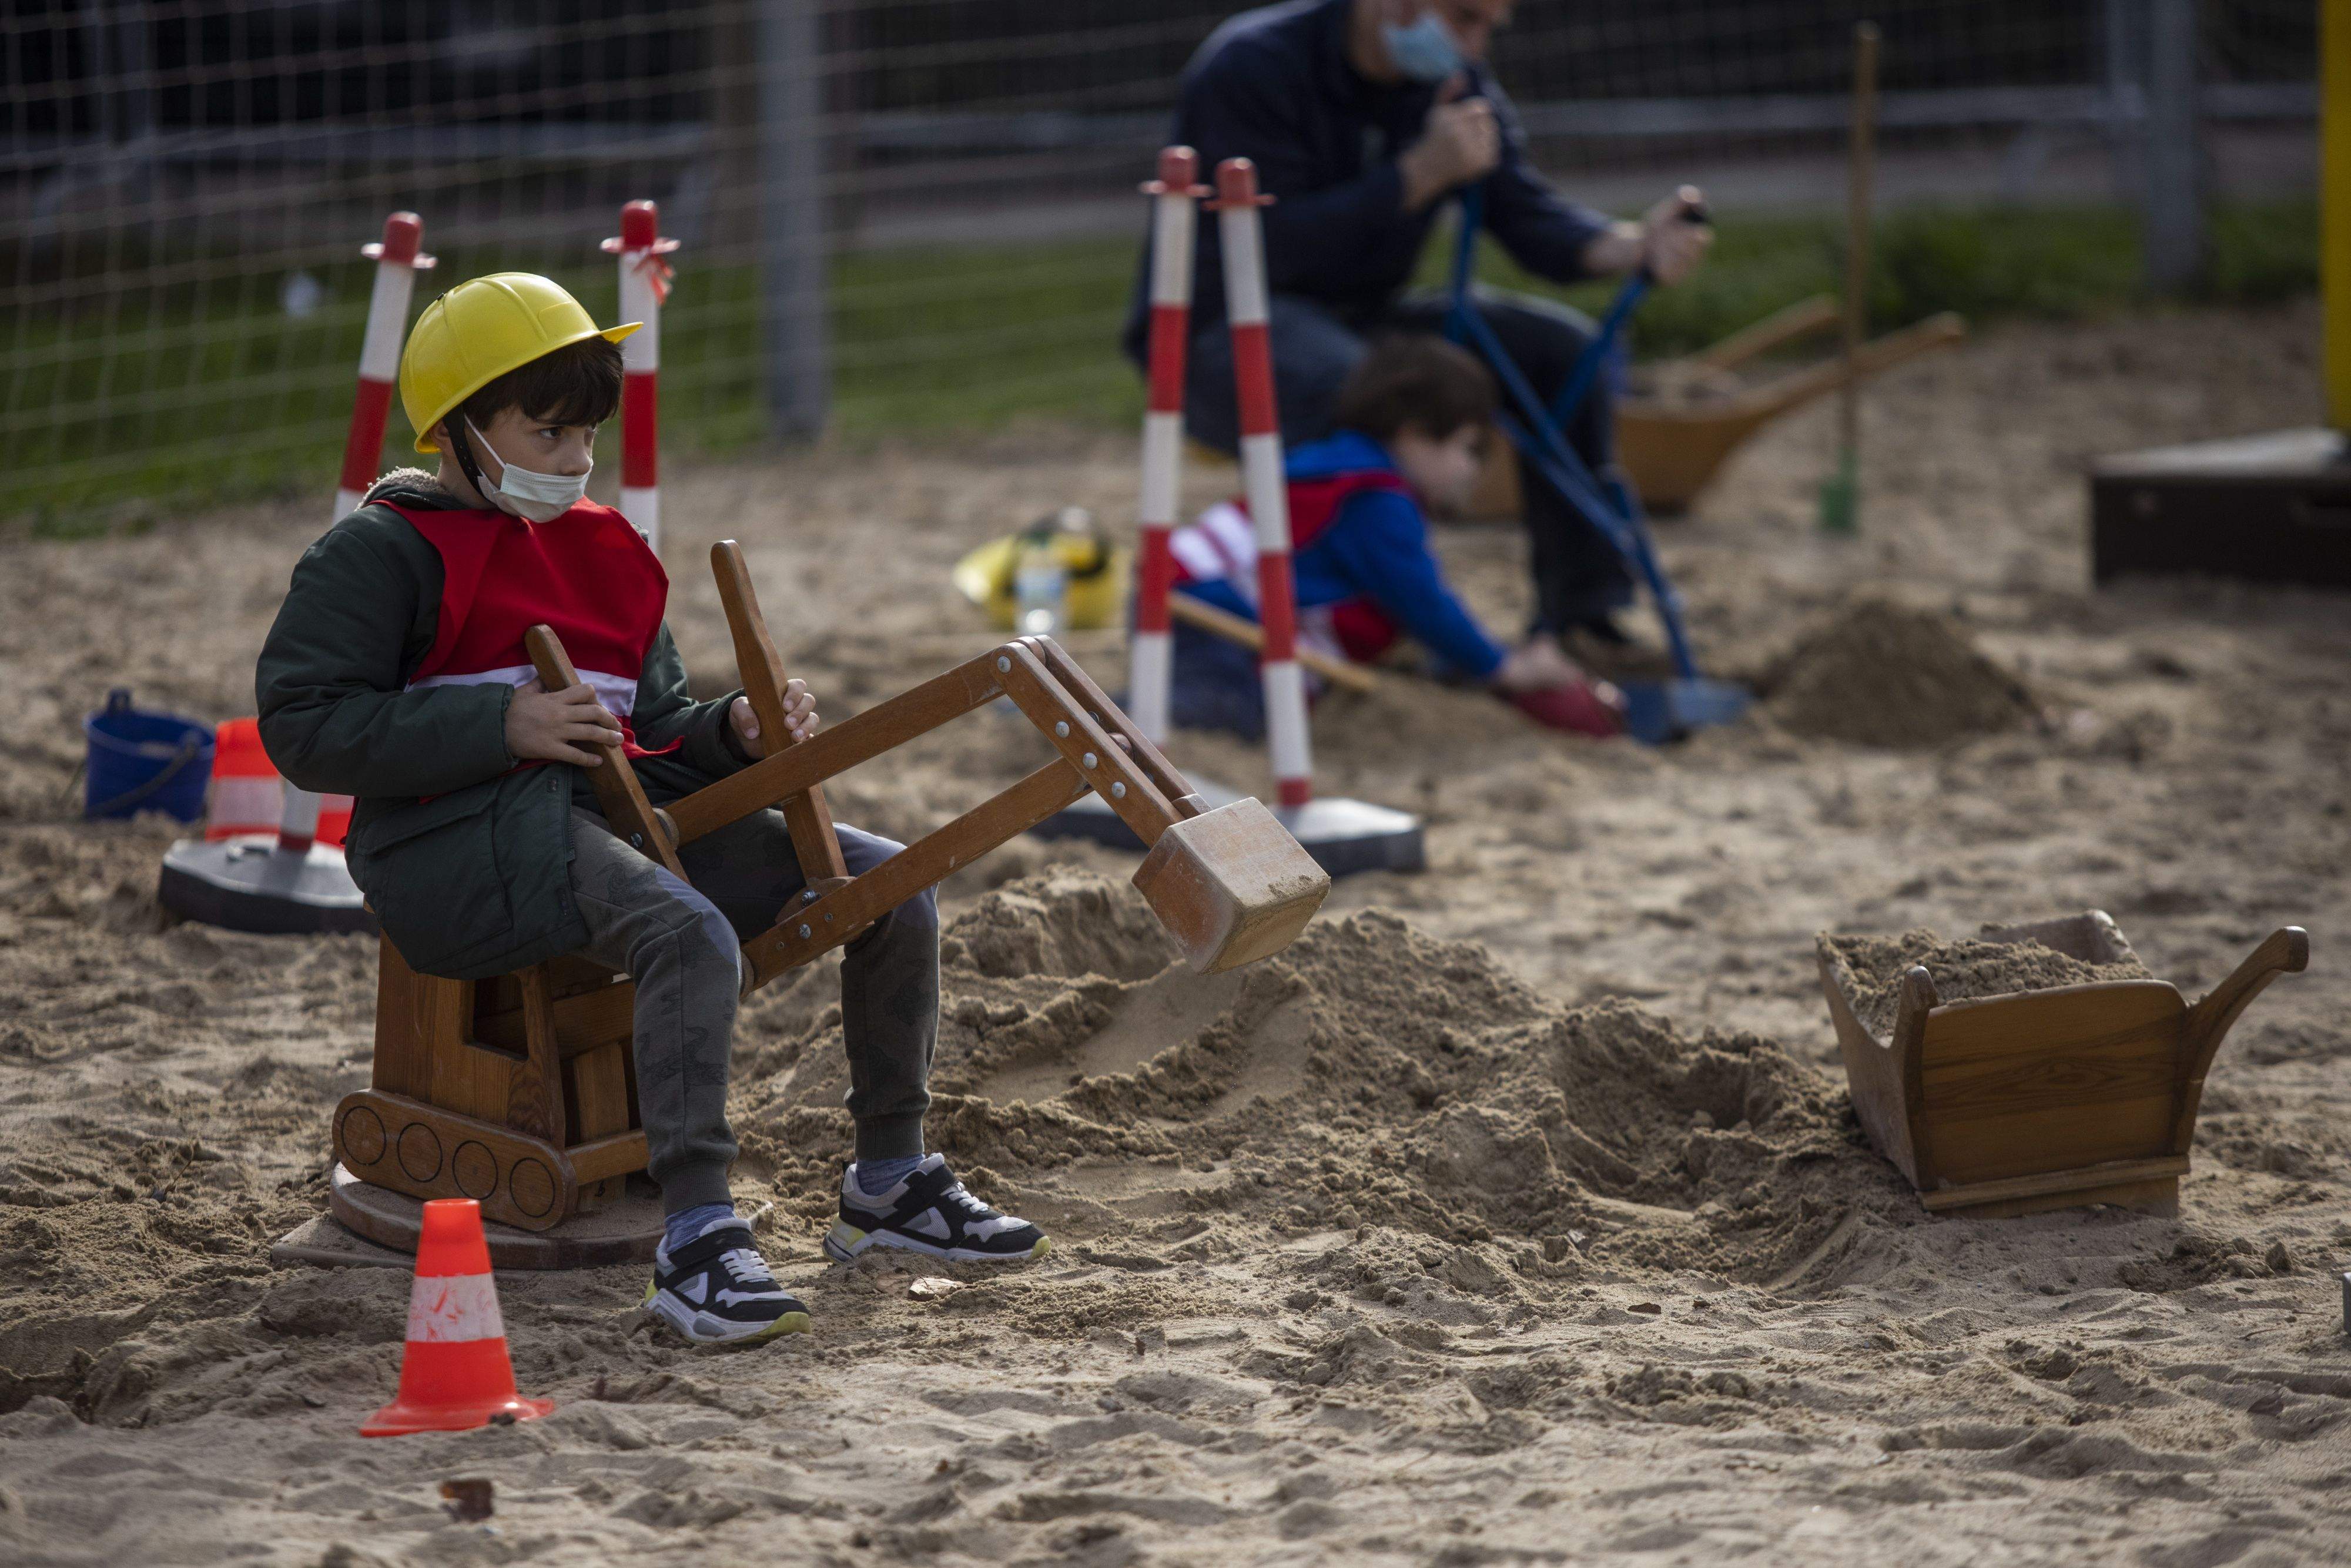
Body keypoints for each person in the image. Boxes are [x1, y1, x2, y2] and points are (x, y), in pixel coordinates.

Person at [256, 273, 1048, 1348]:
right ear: (457, 431)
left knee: (885, 885)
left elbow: (655, 730)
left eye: (586, 433)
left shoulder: (609, 552)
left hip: (609, 820)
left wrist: (735, 736)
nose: (579, 460)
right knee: (688, 932)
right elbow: (302, 724)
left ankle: (890, 1180)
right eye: (547, 433)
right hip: (452, 843)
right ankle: (698, 1240)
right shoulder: (381, 553)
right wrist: (503, 729)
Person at [1121, 0, 1710, 663]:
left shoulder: (1453, 80)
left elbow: (1524, 213)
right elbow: (1264, 250)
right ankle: (1362, 622)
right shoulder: (1253, 66)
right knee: (1368, 393)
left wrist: (1630, 246)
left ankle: (1585, 614)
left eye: (1489, 25)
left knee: (1559, 352)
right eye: (1463, 18)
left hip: (1365, 323)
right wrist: (1419, 173)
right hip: (1222, 331)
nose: (1477, 45)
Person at [1164, 334, 1625, 738]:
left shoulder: (1340, 465)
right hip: (1210, 605)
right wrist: (1503, 667)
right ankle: (1119, 725)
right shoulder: (1375, 499)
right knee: (1230, 708)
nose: (1473, 470)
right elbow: (1423, 602)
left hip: (1189, 584)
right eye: (1469, 449)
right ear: (1414, 434)